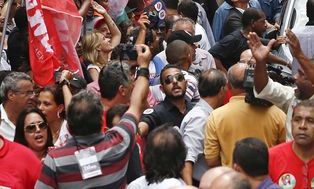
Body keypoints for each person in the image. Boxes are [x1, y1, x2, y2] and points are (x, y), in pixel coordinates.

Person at [35, 44, 151, 188]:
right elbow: (136, 104)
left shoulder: (55, 161)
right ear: (102, 121)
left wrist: (64, 83)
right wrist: (144, 66)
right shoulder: (119, 142)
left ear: (70, 127)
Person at [249, 29, 314, 144]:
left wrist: (299, 54)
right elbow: (264, 88)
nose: (295, 77)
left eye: (301, 74)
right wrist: (260, 62)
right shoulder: (292, 95)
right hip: (292, 160)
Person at [204, 62, 287, 167]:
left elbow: (211, 160)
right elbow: (285, 152)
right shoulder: (277, 114)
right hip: (267, 179)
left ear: (228, 85)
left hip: (232, 180)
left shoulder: (216, 116)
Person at [268, 100, 314, 189]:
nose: (302, 126)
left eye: (310, 121)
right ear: (291, 123)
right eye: (297, 120)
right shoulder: (271, 157)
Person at [181, 69, 228, 185]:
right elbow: (187, 159)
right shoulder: (200, 118)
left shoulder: (206, 114)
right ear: (222, 90)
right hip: (197, 182)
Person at [139, 64, 195, 136]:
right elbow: (140, 131)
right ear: (161, 89)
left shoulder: (195, 109)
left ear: (186, 83)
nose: (175, 81)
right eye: (168, 80)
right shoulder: (156, 113)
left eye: (179, 77)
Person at [0, 71, 35, 140]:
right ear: (11, 95)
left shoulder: (36, 117)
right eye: (28, 93)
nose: (32, 97)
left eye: (32, 92)